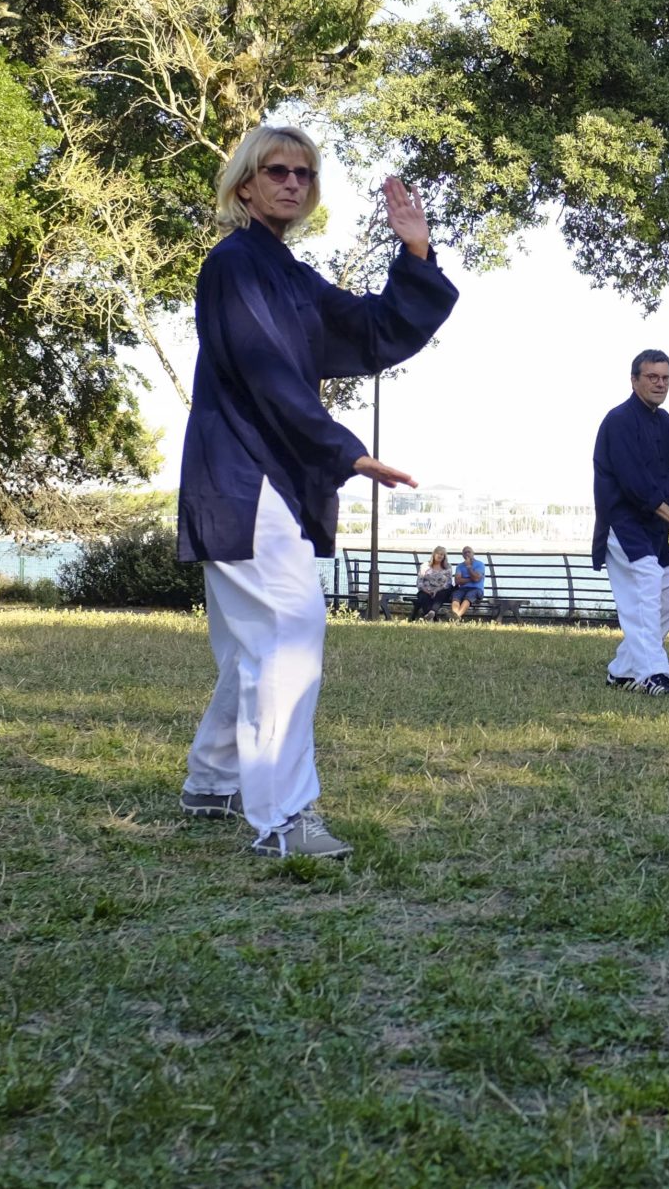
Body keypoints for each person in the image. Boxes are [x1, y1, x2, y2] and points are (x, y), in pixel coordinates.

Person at [175, 123, 455, 859]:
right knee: (289, 635)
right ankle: (283, 819)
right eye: (278, 171)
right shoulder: (233, 266)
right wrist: (345, 452)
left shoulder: (290, 274)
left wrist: (415, 255)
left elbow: (370, 330)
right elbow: (268, 373)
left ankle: (213, 779)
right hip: (243, 481)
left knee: (259, 642)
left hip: (272, 482)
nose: (293, 183)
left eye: (304, 173)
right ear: (245, 184)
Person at [590, 351, 669, 697]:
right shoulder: (618, 421)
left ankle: (622, 671)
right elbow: (636, 485)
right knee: (646, 587)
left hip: (654, 530)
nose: (660, 384)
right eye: (652, 377)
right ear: (634, 380)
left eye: (665, 378)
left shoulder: (664, 422)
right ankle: (652, 673)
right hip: (623, 525)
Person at [411, 547, 452, 620]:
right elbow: (419, 581)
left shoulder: (448, 567)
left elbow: (448, 582)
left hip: (441, 590)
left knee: (441, 595)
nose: (440, 556)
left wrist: (437, 590)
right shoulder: (425, 565)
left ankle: (432, 613)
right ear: (434, 554)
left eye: (442, 554)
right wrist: (426, 591)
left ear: (444, 557)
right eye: (438, 553)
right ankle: (432, 617)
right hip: (426, 590)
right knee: (423, 597)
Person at [449, 547, 487, 619]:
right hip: (463, 589)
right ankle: (456, 617)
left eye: (469, 552)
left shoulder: (480, 564)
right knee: (456, 595)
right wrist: (472, 579)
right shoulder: (460, 566)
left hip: (476, 589)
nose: (467, 554)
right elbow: (457, 581)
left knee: (469, 596)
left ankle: (456, 617)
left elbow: (476, 578)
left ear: (473, 553)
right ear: (462, 555)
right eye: (465, 553)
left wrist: (469, 567)